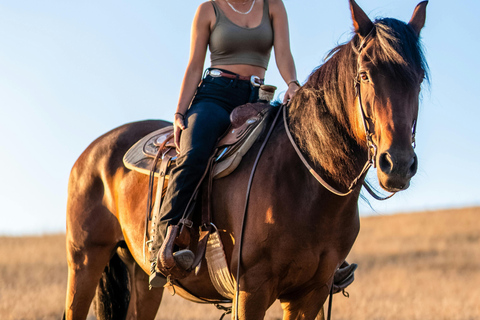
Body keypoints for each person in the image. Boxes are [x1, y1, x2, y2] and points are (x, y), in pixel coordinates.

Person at [149, 0, 300, 286]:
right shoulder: (208, 9)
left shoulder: (273, 6)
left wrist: (292, 83)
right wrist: (180, 113)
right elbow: (195, 65)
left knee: (297, 148)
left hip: (258, 98)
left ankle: (321, 253)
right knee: (194, 155)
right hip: (214, 96)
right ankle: (163, 246)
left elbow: (283, 54)